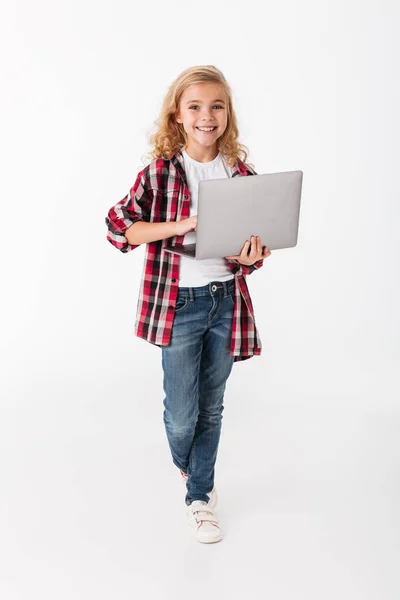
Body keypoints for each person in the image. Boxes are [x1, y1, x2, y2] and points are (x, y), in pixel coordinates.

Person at [105, 65, 272, 544]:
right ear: (178, 116)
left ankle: (200, 496)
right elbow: (120, 228)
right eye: (195, 106)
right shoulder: (160, 172)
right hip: (178, 304)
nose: (207, 116)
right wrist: (180, 225)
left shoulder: (241, 175)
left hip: (227, 302)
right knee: (182, 415)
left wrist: (253, 255)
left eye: (217, 106)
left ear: (227, 114)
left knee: (212, 407)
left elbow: (254, 252)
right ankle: (189, 465)